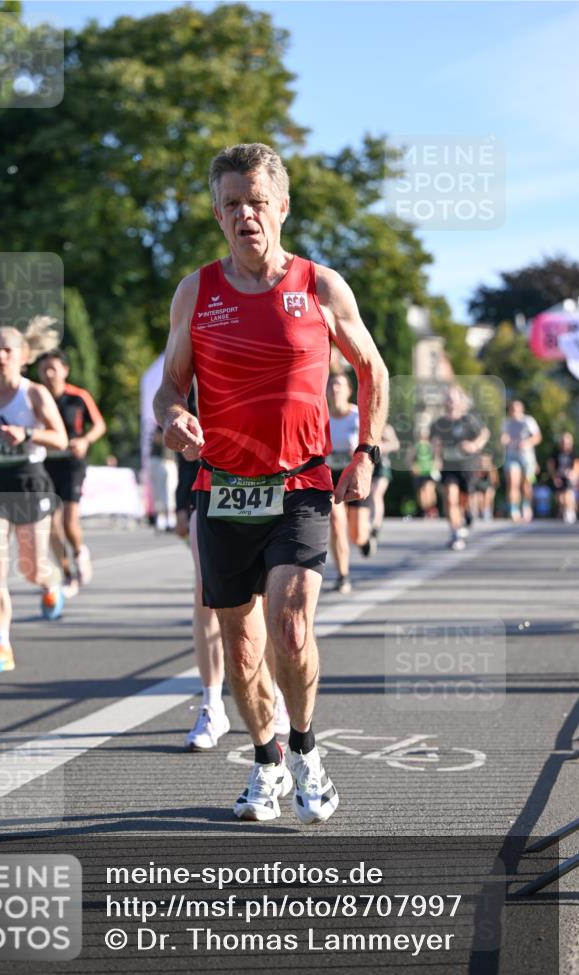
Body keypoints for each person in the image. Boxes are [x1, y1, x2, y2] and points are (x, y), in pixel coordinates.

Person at [154, 142, 388, 824]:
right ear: (216, 213)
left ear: (281, 206)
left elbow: (371, 367)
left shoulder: (319, 286)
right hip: (222, 487)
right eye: (232, 204)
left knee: (288, 626)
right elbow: (170, 385)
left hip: (300, 482)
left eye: (257, 202)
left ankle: (308, 752)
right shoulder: (196, 290)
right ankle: (266, 761)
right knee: (241, 645)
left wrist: (365, 451)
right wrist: (173, 418)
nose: (245, 215)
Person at [176, 395, 289, 750]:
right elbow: (178, 425)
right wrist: (182, 500)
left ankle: (273, 691)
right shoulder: (199, 345)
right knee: (205, 594)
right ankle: (212, 704)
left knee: (267, 597)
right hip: (210, 490)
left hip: (271, 486)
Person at [0, 321, 68, 672]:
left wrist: (25, 433)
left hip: (30, 481)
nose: (1, 356)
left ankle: (50, 583)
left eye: (8, 350)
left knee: (32, 568)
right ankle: (1, 645)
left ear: (22, 357)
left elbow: (61, 439)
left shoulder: (34, 393)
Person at [37, 350, 107, 594]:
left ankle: (79, 552)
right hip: (44, 464)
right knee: (49, 526)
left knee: (68, 521)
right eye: (43, 369)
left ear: (65, 370)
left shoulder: (78, 396)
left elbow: (99, 425)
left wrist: (85, 440)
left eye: (53, 368)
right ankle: (67, 574)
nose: (48, 374)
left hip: (71, 463)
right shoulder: (36, 397)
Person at [431, 386, 490, 551]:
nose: (450, 401)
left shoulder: (469, 420)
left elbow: (484, 434)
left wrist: (474, 445)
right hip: (448, 466)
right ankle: (455, 533)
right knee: (450, 499)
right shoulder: (439, 423)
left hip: (467, 466)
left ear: (460, 401)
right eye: (448, 398)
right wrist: (435, 459)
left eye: (453, 398)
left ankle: (466, 515)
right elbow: (434, 443)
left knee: (464, 499)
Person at [326, 372, 369, 592]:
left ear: (349, 391)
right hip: (330, 474)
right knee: (335, 522)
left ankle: (365, 539)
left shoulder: (358, 416)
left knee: (357, 534)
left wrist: (362, 452)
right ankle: (343, 575)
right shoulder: (321, 416)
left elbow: (382, 442)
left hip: (354, 474)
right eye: (332, 384)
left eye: (340, 385)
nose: (335, 389)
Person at [501, 400, 542, 522]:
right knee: (513, 483)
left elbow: (538, 437)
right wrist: (504, 440)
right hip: (512, 456)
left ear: (521, 410)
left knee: (526, 485)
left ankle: (526, 506)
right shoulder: (506, 423)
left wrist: (527, 442)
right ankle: (514, 510)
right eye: (512, 409)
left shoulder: (528, 421)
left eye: (516, 409)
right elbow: (503, 437)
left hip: (527, 457)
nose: (514, 411)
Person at [367, 422, 400, 552]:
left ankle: (375, 526)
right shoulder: (362, 424)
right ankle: (368, 523)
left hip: (382, 466)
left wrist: (381, 446)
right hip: (369, 466)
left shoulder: (386, 427)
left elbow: (396, 444)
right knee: (368, 495)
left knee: (376, 494)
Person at [548, 431, 578, 524]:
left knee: (569, 494)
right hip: (559, 478)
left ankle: (570, 511)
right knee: (561, 498)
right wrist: (554, 478)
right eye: (564, 443)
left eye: (567, 443)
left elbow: (577, 465)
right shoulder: (556, 453)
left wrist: (573, 474)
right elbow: (551, 465)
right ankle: (564, 510)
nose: (565, 445)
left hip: (569, 478)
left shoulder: (573, 453)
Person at [410, 427, 439, 518]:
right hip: (419, 472)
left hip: (430, 471)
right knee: (421, 493)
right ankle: (426, 510)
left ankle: (432, 509)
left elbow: (437, 458)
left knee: (429, 490)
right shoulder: (415, 446)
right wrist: (413, 466)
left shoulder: (431, 446)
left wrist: (436, 466)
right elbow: (410, 459)